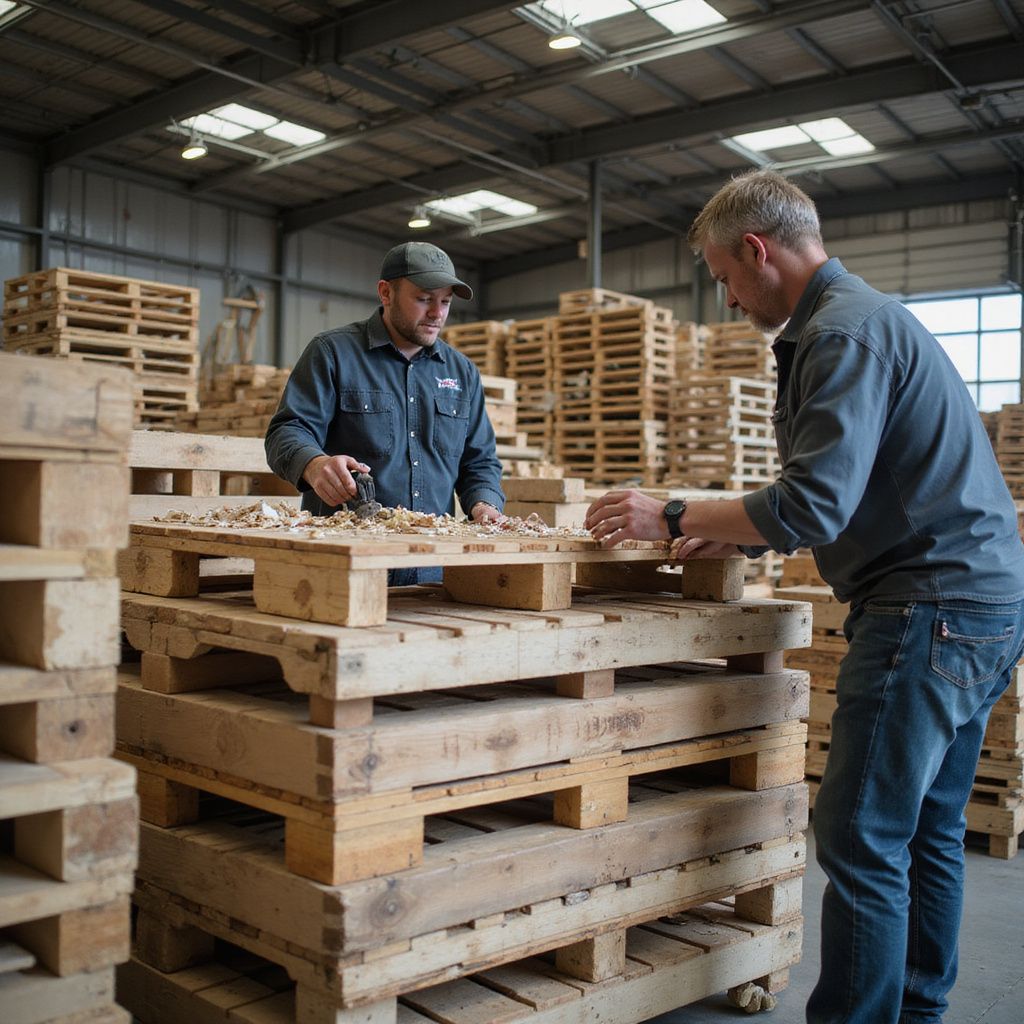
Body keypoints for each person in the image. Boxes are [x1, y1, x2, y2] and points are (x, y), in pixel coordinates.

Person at [585, 169, 1024, 1023]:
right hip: (983, 605)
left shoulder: (841, 335)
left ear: (757, 250)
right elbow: (840, 486)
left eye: (722, 276)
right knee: (928, 834)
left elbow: (817, 502)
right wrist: (742, 525)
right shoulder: (869, 320)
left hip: (924, 611)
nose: (726, 298)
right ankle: (920, 1011)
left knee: (862, 839)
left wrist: (668, 508)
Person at [265, 241, 505, 584]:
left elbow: (479, 461)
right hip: (344, 568)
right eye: (424, 299)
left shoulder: (461, 372)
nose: (437, 313)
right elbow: (287, 431)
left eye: (446, 302)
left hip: (433, 573)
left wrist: (484, 504)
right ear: (386, 292)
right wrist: (314, 464)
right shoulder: (332, 353)